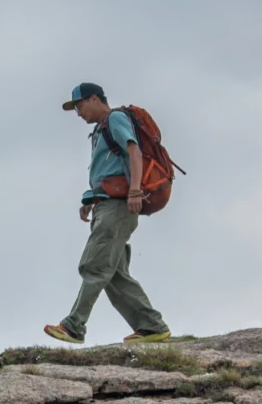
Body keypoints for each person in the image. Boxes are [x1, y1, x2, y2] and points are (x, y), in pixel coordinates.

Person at [44, 82, 170, 345]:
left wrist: (135, 191)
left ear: (94, 99)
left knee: (94, 265)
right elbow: (109, 169)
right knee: (113, 274)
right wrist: (90, 200)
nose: (78, 112)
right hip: (106, 204)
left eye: (79, 105)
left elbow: (133, 151)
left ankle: (74, 326)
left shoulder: (115, 119)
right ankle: (151, 327)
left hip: (117, 206)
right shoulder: (99, 131)